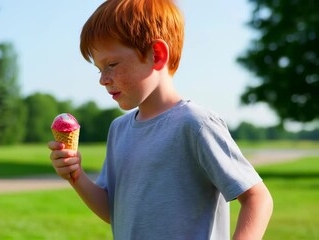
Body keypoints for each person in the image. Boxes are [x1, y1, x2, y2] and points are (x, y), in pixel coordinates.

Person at [48, 0, 273, 239]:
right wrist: (76, 176)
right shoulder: (119, 129)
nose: (103, 79)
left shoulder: (195, 124)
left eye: (112, 64)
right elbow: (113, 212)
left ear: (156, 54)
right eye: (99, 69)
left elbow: (257, 199)